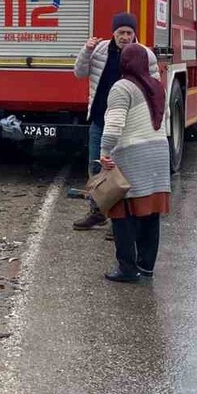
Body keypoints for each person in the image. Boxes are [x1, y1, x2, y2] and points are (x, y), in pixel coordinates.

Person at [72, 12, 159, 230]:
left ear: (134, 33)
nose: (125, 37)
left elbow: (155, 88)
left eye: (129, 32)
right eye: (121, 32)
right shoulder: (100, 50)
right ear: (114, 32)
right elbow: (79, 72)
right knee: (97, 170)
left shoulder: (145, 55)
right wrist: (86, 51)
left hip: (128, 127)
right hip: (100, 121)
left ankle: (120, 221)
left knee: (123, 173)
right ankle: (97, 212)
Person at [99, 47, 171, 283]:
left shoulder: (122, 87)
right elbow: (165, 117)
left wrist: (104, 151)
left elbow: (114, 124)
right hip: (159, 152)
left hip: (133, 154)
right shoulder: (157, 85)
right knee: (151, 212)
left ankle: (127, 268)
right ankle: (146, 266)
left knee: (122, 211)